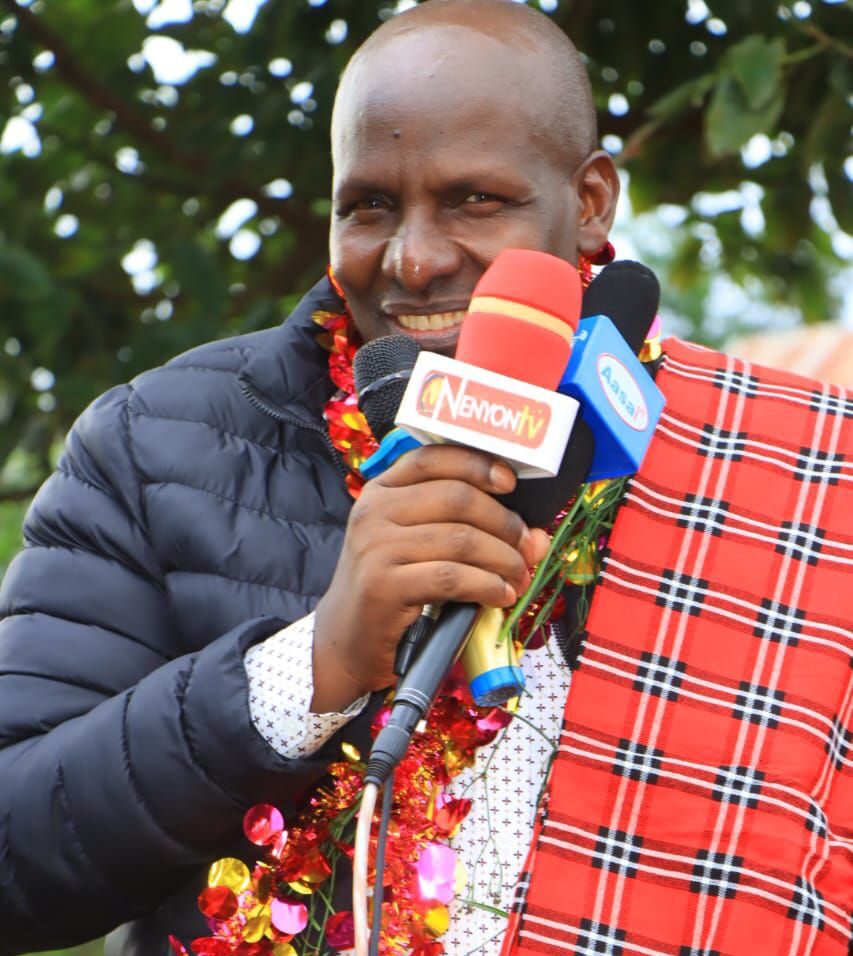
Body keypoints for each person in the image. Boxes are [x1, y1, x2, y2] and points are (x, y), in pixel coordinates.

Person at [0, 2, 850, 955]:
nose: (412, 257)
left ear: (593, 202)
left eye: (474, 200)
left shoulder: (776, 460)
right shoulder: (154, 442)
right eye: (367, 206)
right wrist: (312, 664)